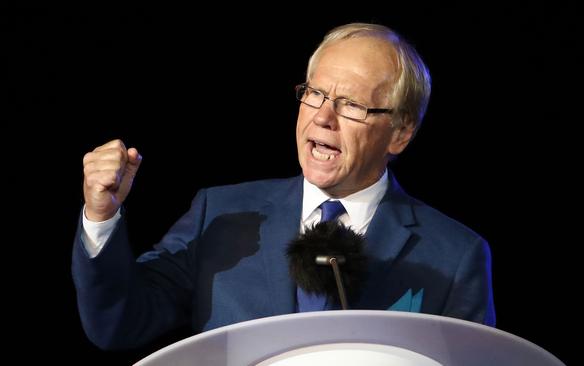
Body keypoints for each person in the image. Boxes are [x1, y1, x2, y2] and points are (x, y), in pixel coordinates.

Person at [72, 22, 495, 350]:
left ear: (400, 133)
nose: (323, 117)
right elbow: (118, 323)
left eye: (351, 104)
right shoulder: (220, 215)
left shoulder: (454, 256)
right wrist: (101, 217)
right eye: (314, 93)